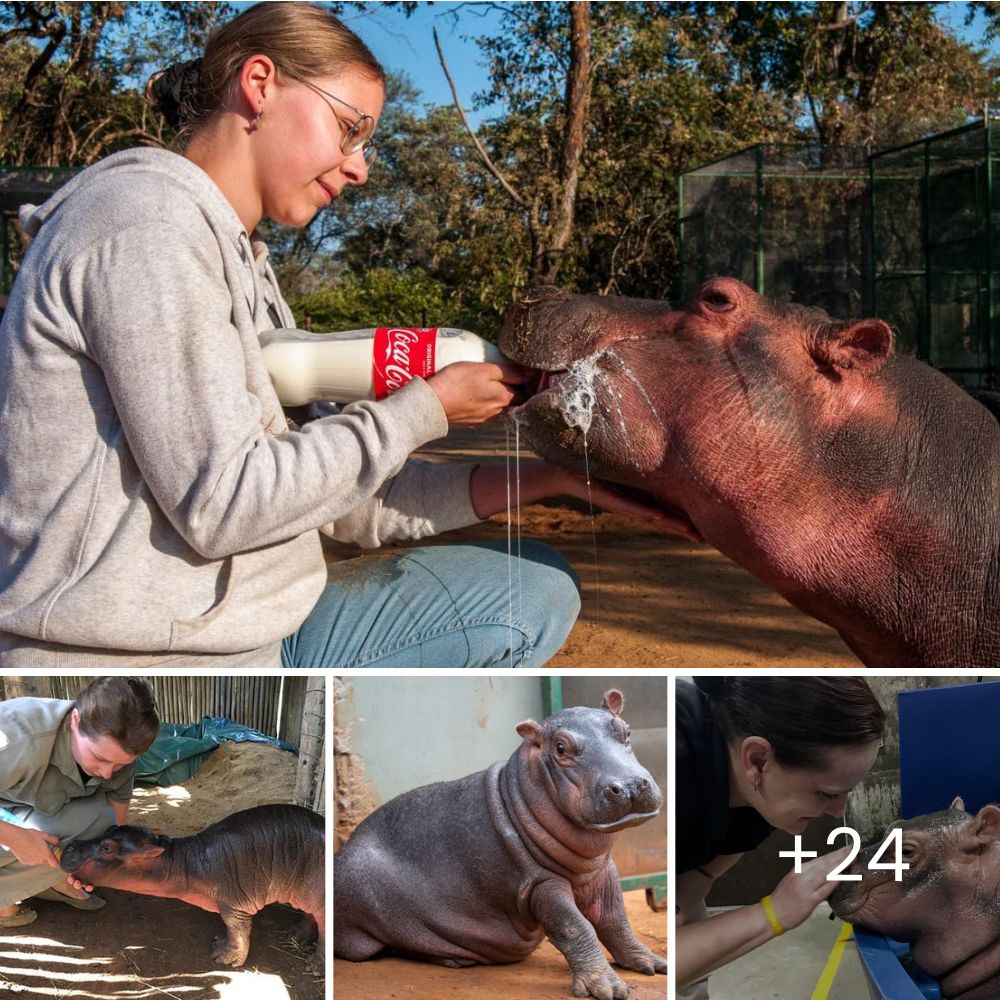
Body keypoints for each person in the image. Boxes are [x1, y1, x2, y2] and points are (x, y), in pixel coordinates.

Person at [0, 2, 684, 669]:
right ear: (260, 84)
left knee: (530, 581)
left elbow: (347, 504)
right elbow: (227, 505)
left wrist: (553, 477)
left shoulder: (235, 256)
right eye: (349, 130)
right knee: (521, 600)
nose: (360, 167)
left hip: (240, 627)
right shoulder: (146, 228)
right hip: (141, 656)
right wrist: (424, 411)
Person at [676, 676, 886, 996]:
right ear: (758, 760)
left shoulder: (766, 797)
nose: (836, 810)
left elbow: (701, 876)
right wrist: (775, 912)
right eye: (826, 793)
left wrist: (678, 921)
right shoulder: (676, 771)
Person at [0, 677, 159, 927]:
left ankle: (48, 880)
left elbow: (112, 827)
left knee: (98, 825)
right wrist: (13, 837)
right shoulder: (17, 737)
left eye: (119, 764)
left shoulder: (117, 751)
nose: (108, 773)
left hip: (21, 807)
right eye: (99, 757)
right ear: (75, 721)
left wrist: (94, 867)